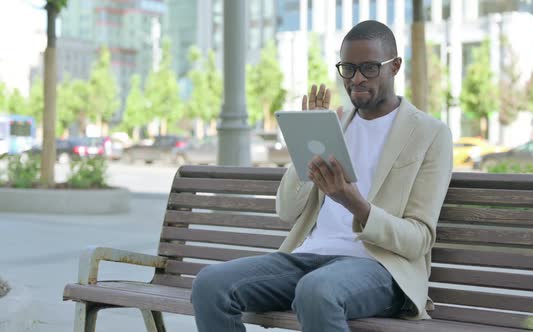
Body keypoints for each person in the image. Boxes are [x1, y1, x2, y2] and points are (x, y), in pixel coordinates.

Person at [191, 20, 453, 331]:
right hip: (307, 258)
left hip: (379, 268)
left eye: (369, 68)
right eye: (348, 68)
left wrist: (358, 205)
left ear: (395, 67)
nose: (356, 79)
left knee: (317, 291)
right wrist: (305, 143)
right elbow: (286, 211)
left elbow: (418, 239)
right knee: (210, 284)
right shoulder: (335, 125)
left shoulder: (429, 133)